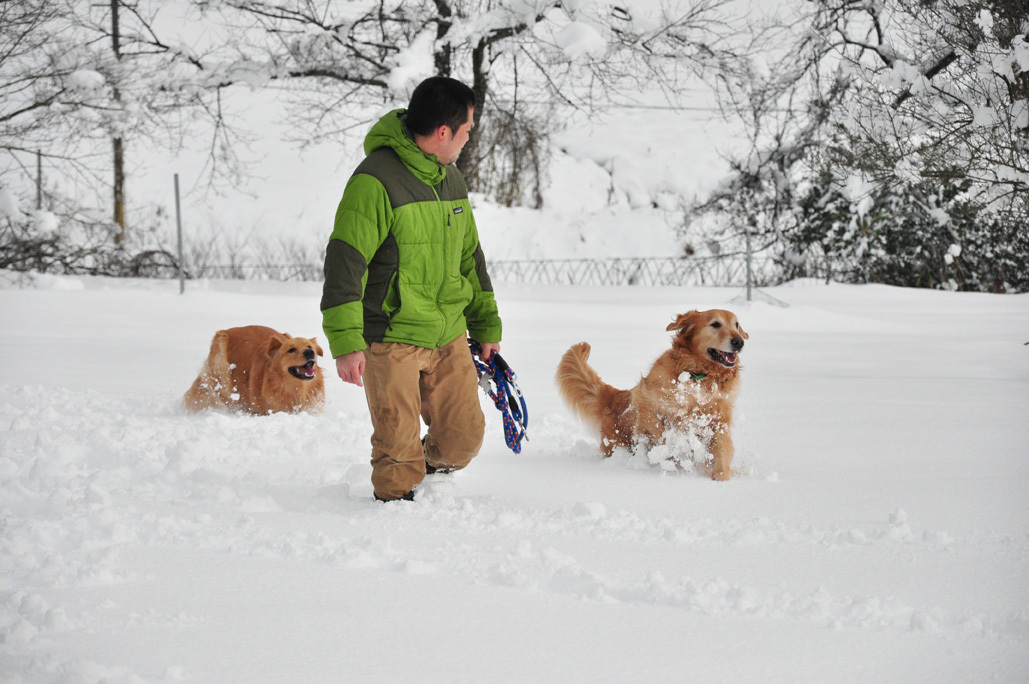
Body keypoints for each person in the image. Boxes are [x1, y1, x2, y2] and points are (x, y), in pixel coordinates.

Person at [320, 77, 503, 502]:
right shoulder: (374, 181)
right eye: (468, 129)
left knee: (463, 441)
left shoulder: (451, 178)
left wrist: (485, 325)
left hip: (449, 334)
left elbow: (469, 259)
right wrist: (347, 341)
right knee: (397, 459)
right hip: (392, 337)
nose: (468, 137)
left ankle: (431, 477)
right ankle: (394, 524)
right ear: (444, 132)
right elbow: (346, 262)